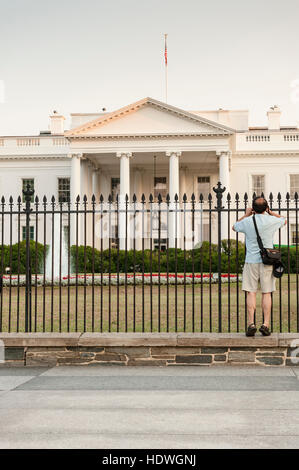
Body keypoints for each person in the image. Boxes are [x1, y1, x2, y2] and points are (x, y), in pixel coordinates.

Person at [233, 196, 286, 337]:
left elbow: (234, 226)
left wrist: (246, 214)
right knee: (266, 292)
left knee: (251, 292)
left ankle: (251, 324)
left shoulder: (247, 221)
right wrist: (271, 212)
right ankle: (265, 324)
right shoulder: (271, 220)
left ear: (253, 208)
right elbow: (284, 220)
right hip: (267, 261)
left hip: (251, 261)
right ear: (266, 208)